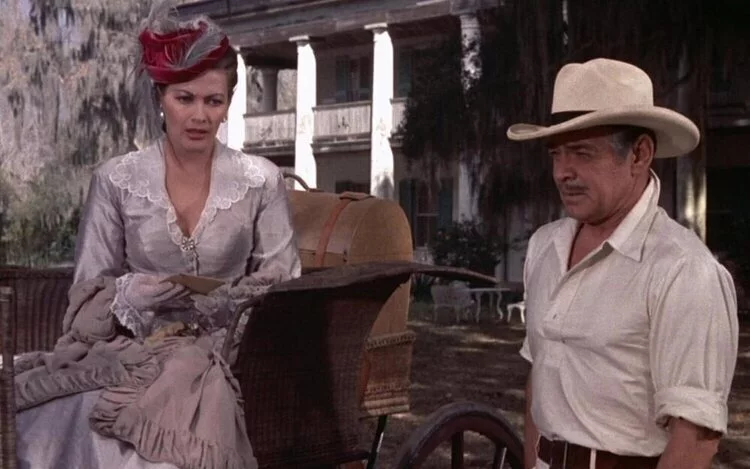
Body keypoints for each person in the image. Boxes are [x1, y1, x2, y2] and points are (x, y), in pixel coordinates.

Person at [13, 4, 301, 469]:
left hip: (224, 350)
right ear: (160, 98)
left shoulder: (260, 180)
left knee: (164, 436)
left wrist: (226, 304)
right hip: (132, 348)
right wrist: (129, 294)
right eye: (185, 99)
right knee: (70, 415)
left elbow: (284, 281)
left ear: (228, 104)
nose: (199, 116)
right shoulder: (116, 179)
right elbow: (87, 291)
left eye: (213, 101)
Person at [507, 58, 739, 469]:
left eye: (582, 153)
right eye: (557, 154)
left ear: (639, 154)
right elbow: (540, 380)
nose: (562, 173)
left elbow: (695, 436)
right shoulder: (545, 246)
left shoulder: (682, 269)